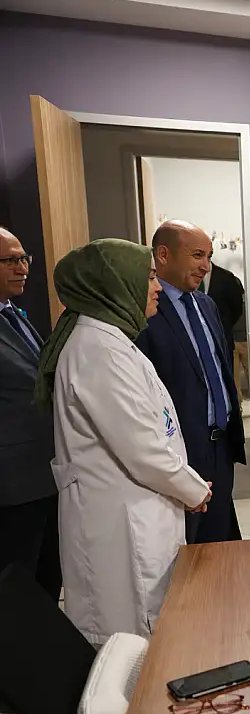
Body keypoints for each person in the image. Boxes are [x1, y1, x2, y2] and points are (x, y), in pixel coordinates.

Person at [37, 239, 211, 644]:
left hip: (140, 508)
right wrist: (192, 489)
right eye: (148, 277)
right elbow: (142, 450)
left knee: (151, 628)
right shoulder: (98, 350)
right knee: (129, 642)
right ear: (115, 285)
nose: (157, 287)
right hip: (122, 525)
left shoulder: (111, 340)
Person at [135, 221, 244, 544]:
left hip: (220, 444)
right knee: (188, 545)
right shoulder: (145, 310)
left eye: (208, 257)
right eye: (197, 255)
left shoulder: (206, 305)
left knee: (220, 540)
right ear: (163, 255)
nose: (205, 267)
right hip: (179, 449)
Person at [0, 228, 61, 600]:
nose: (22, 268)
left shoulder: (15, 314)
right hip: (11, 488)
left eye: (24, 259)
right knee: (17, 593)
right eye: (10, 260)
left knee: (46, 582)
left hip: (44, 477)